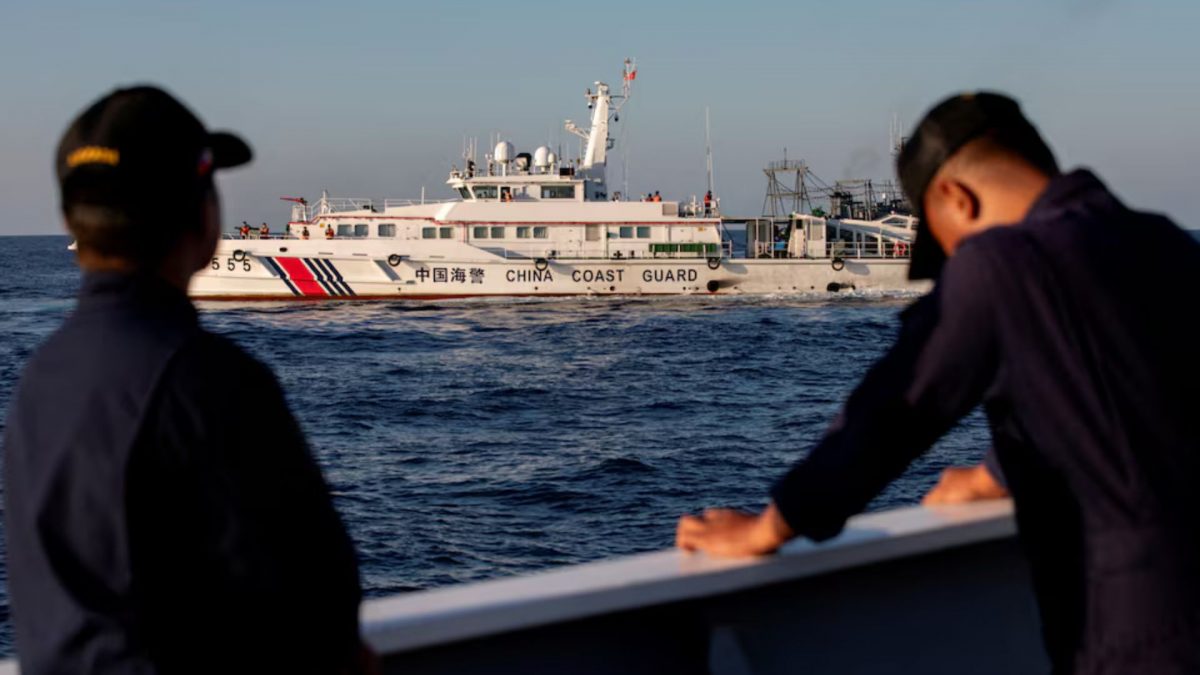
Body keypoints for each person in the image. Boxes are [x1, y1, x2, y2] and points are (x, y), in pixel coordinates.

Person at [675, 92, 1200, 673]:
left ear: (957, 198)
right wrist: (997, 473)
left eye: (944, 245)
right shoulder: (1164, 241)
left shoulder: (1002, 262)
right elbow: (1120, 384)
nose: (952, 263)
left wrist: (769, 526)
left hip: (1146, 631)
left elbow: (894, 410)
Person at [2, 86, 371, 674]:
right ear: (202, 217)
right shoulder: (212, 383)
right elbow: (316, 610)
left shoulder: (40, 378)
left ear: (74, 221)